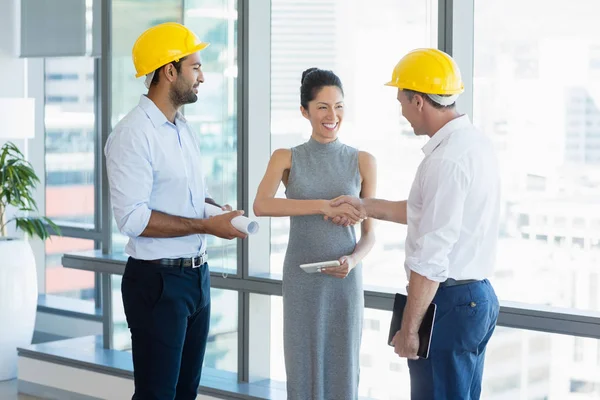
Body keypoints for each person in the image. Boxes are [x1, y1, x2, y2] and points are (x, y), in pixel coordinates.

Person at [331, 48, 501, 399]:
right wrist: (365, 206)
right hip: (475, 297)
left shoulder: (446, 160)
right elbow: (425, 211)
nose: (402, 113)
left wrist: (410, 328)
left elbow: (432, 254)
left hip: (448, 301)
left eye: (402, 102)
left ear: (420, 101)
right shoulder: (473, 144)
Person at [105, 22, 247, 400]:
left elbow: (186, 198)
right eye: (195, 67)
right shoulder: (133, 134)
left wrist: (218, 213)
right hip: (157, 284)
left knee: (185, 393)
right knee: (157, 395)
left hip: (196, 279)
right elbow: (133, 219)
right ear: (170, 71)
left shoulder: (182, 129)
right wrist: (206, 224)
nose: (202, 76)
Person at [253, 68, 376, 400]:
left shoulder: (362, 161)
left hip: (344, 279)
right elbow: (261, 205)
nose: (332, 115)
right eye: (322, 107)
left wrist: (353, 260)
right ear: (305, 111)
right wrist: (323, 206)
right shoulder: (287, 157)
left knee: (343, 369)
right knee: (302, 367)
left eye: (338, 106)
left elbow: (369, 236)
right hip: (301, 277)